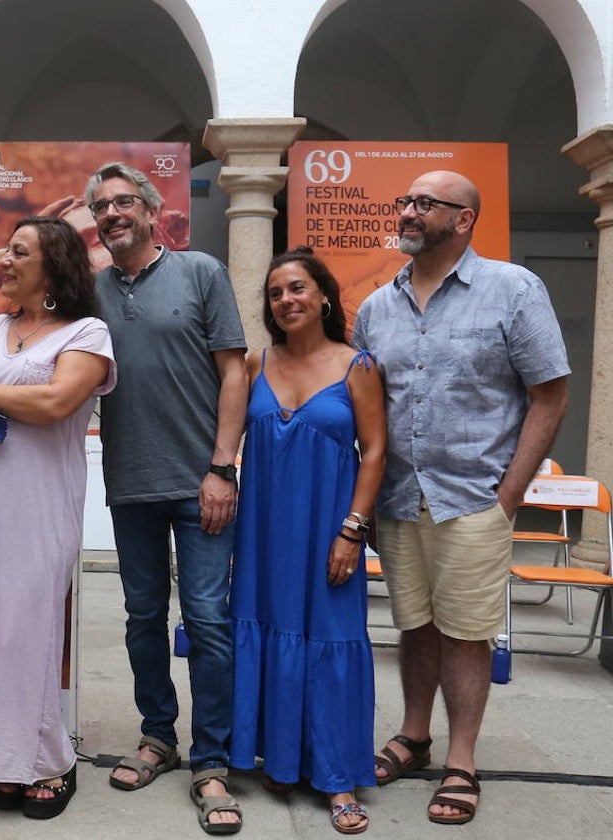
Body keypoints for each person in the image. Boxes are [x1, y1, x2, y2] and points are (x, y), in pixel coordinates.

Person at [353, 170, 569, 826]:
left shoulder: (513, 289)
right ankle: (415, 737)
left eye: (425, 203)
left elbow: (550, 394)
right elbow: (365, 409)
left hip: (474, 496)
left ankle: (463, 760)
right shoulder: (376, 307)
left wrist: (509, 495)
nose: (410, 212)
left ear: (464, 219)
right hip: (398, 497)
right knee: (413, 625)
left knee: (467, 634)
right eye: (407, 202)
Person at [85, 162, 248, 835]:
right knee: (141, 618)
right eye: (101, 207)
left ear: (153, 212)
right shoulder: (89, 290)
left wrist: (223, 468)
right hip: (130, 483)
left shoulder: (202, 273)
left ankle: (211, 761)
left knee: (207, 622)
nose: (112, 213)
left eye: (124, 202)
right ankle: (158, 736)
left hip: (200, 484)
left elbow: (234, 369)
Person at [0, 217, 116, 819]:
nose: (2, 261)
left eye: (17, 252)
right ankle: (4, 756)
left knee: (28, 629)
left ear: (54, 264)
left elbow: (57, 402)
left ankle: (47, 761)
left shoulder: (87, 333)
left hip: (41, 502)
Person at [229, 248, 386, 834]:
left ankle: (339, 776)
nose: (287, 300)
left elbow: (374, 451)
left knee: (332, 637)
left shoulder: (358, 365)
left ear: (322, 295)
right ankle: (284, 758)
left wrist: (353, 529)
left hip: (329, 528)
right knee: (267, 627)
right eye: (275, 293)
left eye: (297, 288)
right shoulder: (255, 363)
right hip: (265, 530)